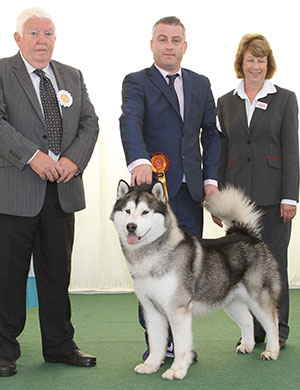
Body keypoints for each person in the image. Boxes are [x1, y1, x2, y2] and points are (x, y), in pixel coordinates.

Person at [0, 8, 99, 377]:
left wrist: (74, 160)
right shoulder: (2, 72)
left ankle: (59, 346)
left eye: (48, 33)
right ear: (18, 39)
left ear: (55, 39)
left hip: (62, 192)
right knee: (8, 277)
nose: (42, 40)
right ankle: (3, 348)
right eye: (34, 33)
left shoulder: (71, 75)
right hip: (15, 193)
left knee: (57, 273)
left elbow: (90, 122)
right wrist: (33, 157)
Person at [119, 16, 221, 360]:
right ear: (152, 44)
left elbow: (211, 132)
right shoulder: (136, 82)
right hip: (151, 196)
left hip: (190, 193)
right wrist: (138, 160)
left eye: (175, 40)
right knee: (150, 272)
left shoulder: (201, 83)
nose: (169, 46)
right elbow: (129, 119)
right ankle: (156, 345)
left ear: (185, 46)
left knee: (185, 273)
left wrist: (210, 180)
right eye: (162, 39)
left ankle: (181, 346)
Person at [217, 33, 299, 351]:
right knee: (243, 265)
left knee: (273, 263)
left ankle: (279, 326)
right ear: (241, 63)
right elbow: (222, 152)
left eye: (261, 60)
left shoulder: (285, 98)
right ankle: (254, 331)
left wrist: (290, 196)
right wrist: (219, 201)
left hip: (274, 196)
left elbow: (291, 150)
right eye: (250, 59)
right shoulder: (225, 102)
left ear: (269, 64)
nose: (255, 66)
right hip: (238, 201)